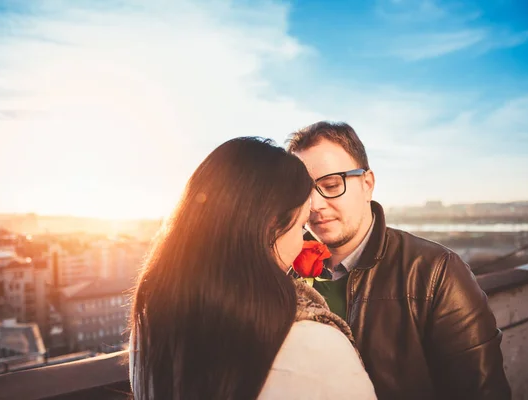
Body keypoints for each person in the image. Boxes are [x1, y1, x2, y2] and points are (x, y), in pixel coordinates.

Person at [129, 137, 376, 399]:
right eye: (300, 227)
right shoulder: (315, 345)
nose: (303, 242)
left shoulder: (149, 328)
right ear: (268, 227)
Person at [286, 121, 511, 400]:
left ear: (367, 184)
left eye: (331, 185)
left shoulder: (436, 273)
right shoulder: (284, 272)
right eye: (303, 192)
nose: (315, 205)